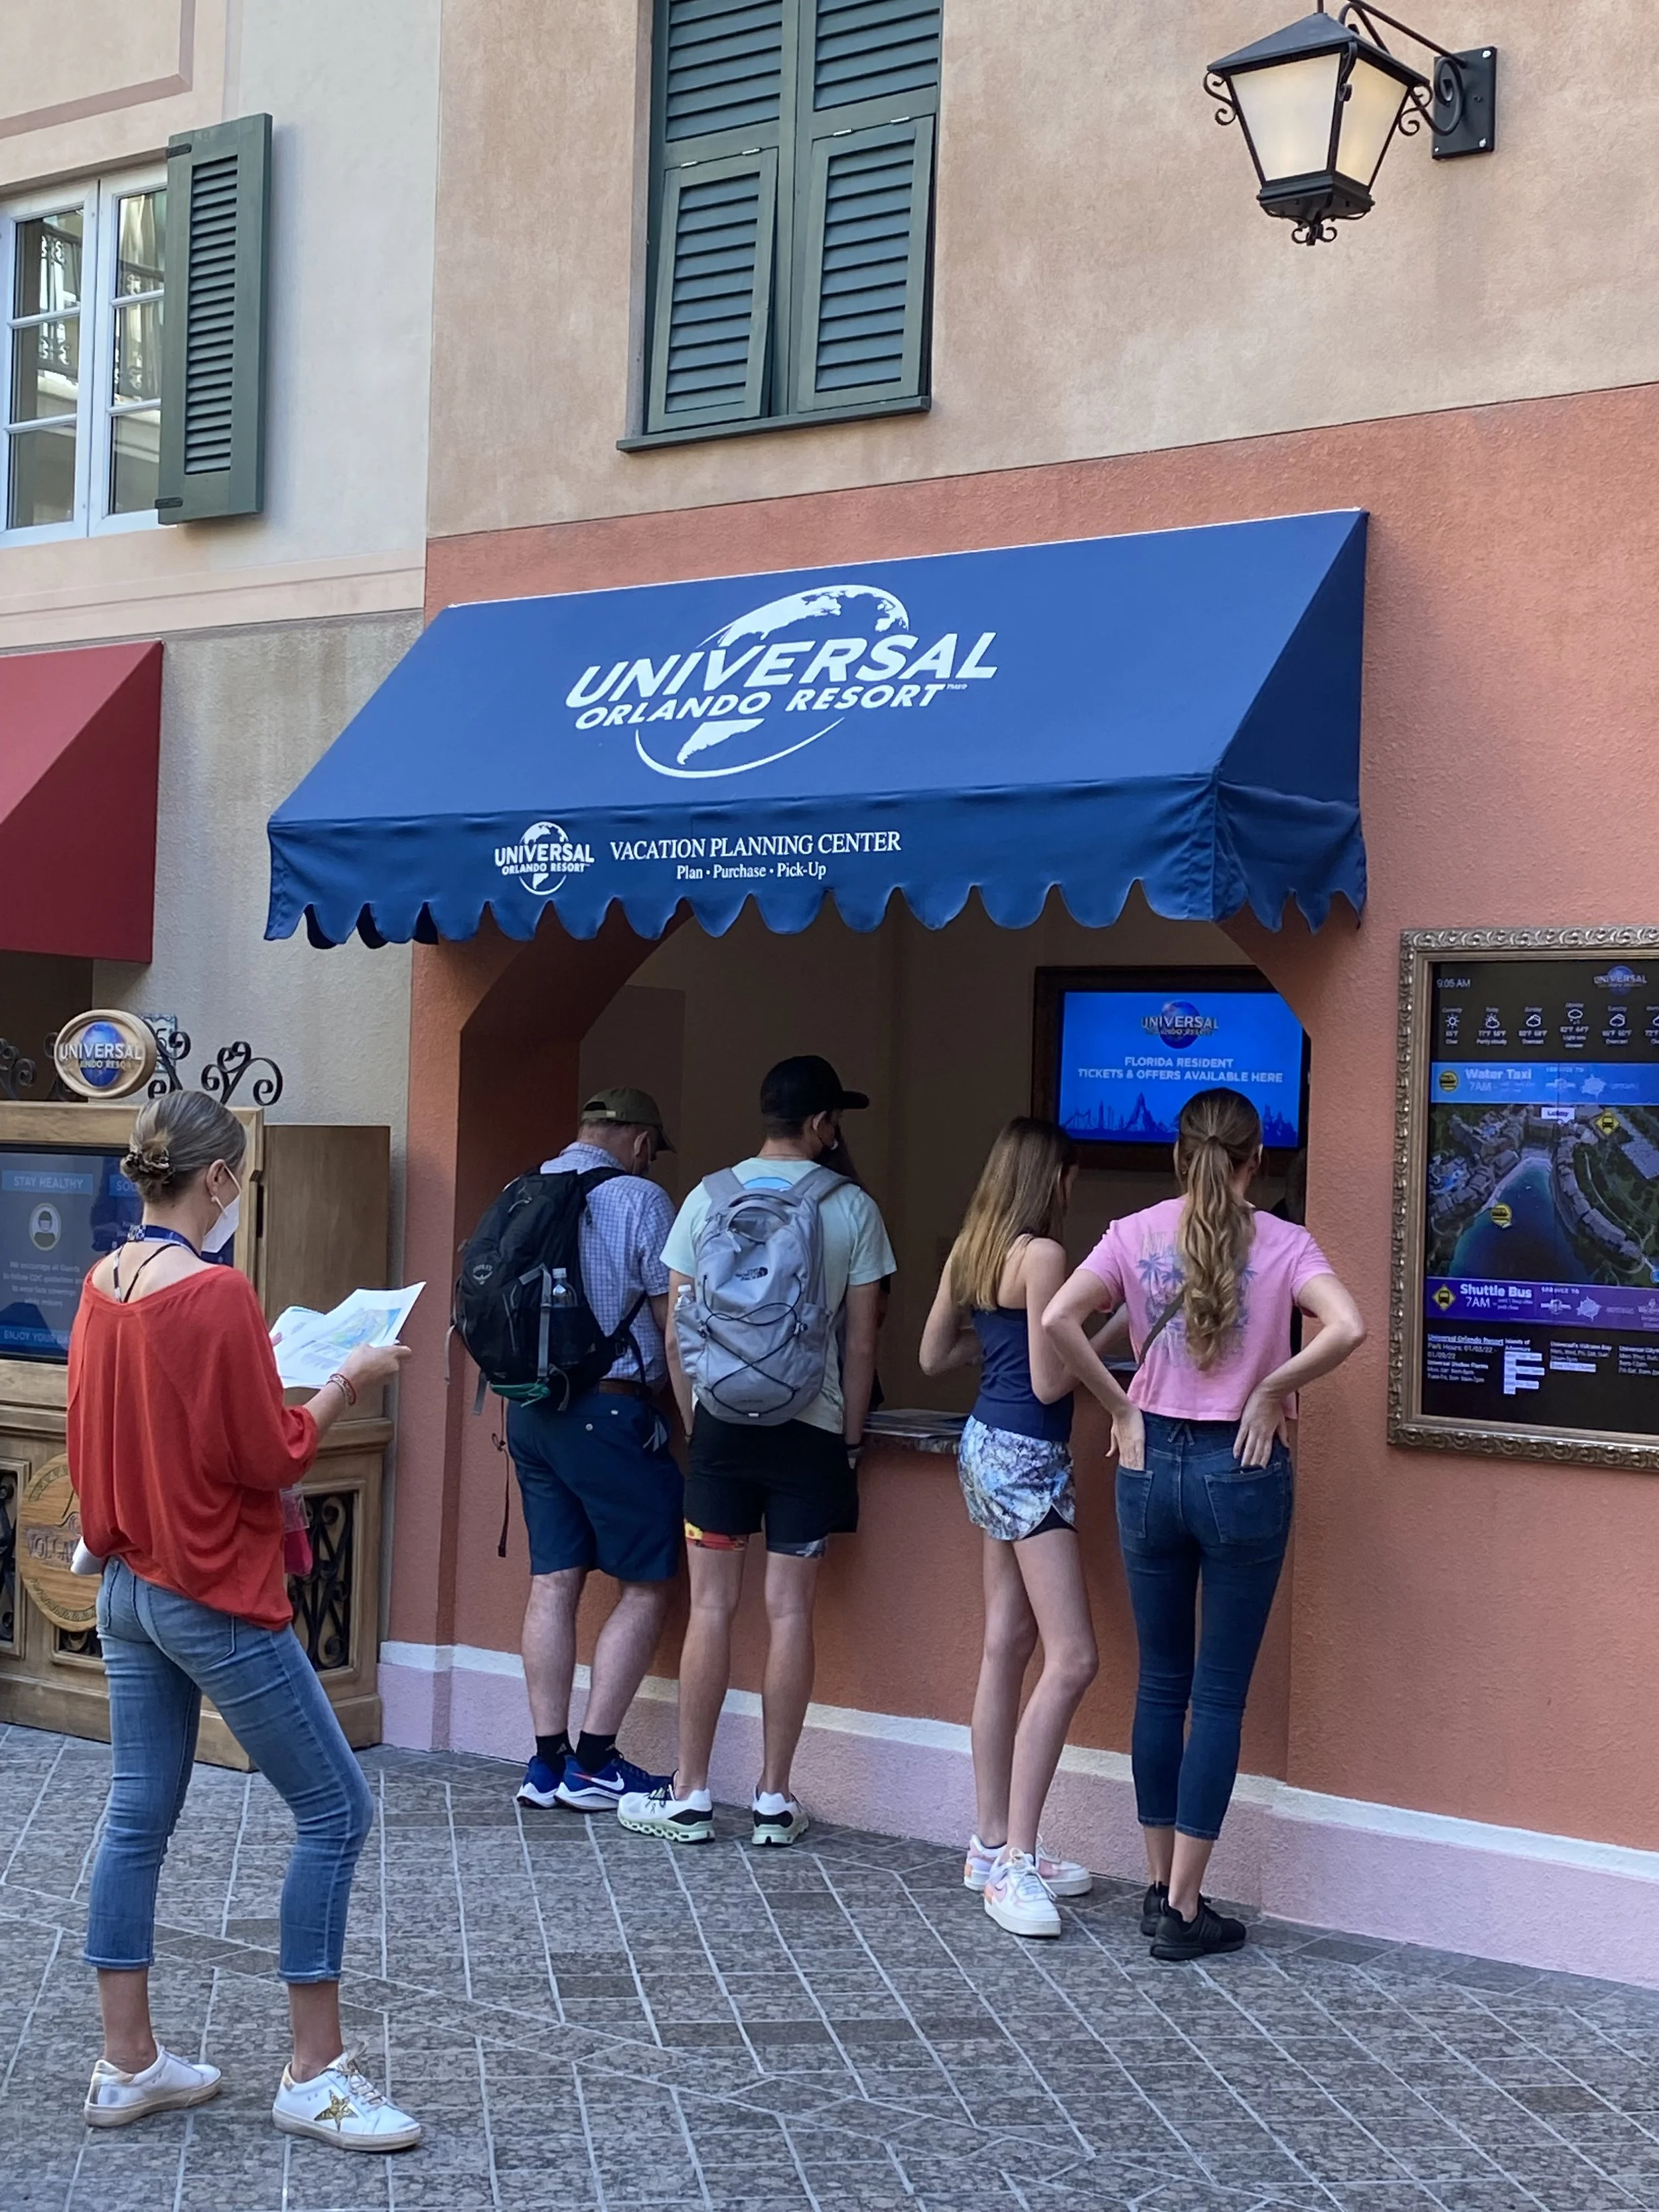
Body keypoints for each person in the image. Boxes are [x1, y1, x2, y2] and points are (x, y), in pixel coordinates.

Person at [70, 1091, 420, 2150]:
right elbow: (270, 1455)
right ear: (218, 1179)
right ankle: (316, 2072)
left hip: (127, 1582)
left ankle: (127, 2061)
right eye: (241, 1178)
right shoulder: (214, 1294)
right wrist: (347, 1382)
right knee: (335, 1811)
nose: (240, 1194)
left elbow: (118, 1422)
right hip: (211, 1589)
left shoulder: (101, 1280)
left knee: (138, 1816)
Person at [1043, 1088, 1364, 1962]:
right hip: (1243, 1467)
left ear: (1179, 1158)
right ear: (1257, 1159)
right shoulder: (1286, 1243)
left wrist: (1118, 1406)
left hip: (1148, 1467)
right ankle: (1187, 1905)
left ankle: (1157, 1886)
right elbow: (1349, 1325)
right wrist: (1271, 1388)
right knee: (1218, 1694)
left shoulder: (1136, 1232)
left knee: (1162, 1683)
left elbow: (1057, 1318)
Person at [619, 1055, 895, 1847]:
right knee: (788, 1611)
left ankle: (692, 1791)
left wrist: (697, 1417)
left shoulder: (706, 1198)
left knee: (711, 1607)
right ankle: (773, 1799)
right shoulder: (853, 1209)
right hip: (810, 1436)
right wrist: (845, 1443)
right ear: (819, 1124)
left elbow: (673, 1326)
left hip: (722, 1434)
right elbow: (863, 1341)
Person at [919, 1118, 1099, 1941]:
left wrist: (984, 1349)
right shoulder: (1044, 1256)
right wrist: (1123, 1323)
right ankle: (1014, 1864)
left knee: (1005, 1644)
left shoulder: (970, 1249)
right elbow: (1049, 1375)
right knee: (1072, 1657)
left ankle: (988, 1842)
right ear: (1048, 1177)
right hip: (1029, 1455)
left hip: (981, 1444)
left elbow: (931, 1354)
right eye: (1067, 1174)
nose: (1072, 1186)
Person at [507, 1087, 682, 1814]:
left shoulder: (523, 1189)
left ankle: (545, 1765)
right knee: (644, 1582)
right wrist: (693, 1420)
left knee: (553, 1581)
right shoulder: (643, 1199)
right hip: (611, 1411)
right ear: (639, 1140)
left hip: (531, 1412)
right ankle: (594, 1762)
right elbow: (674, 1326)